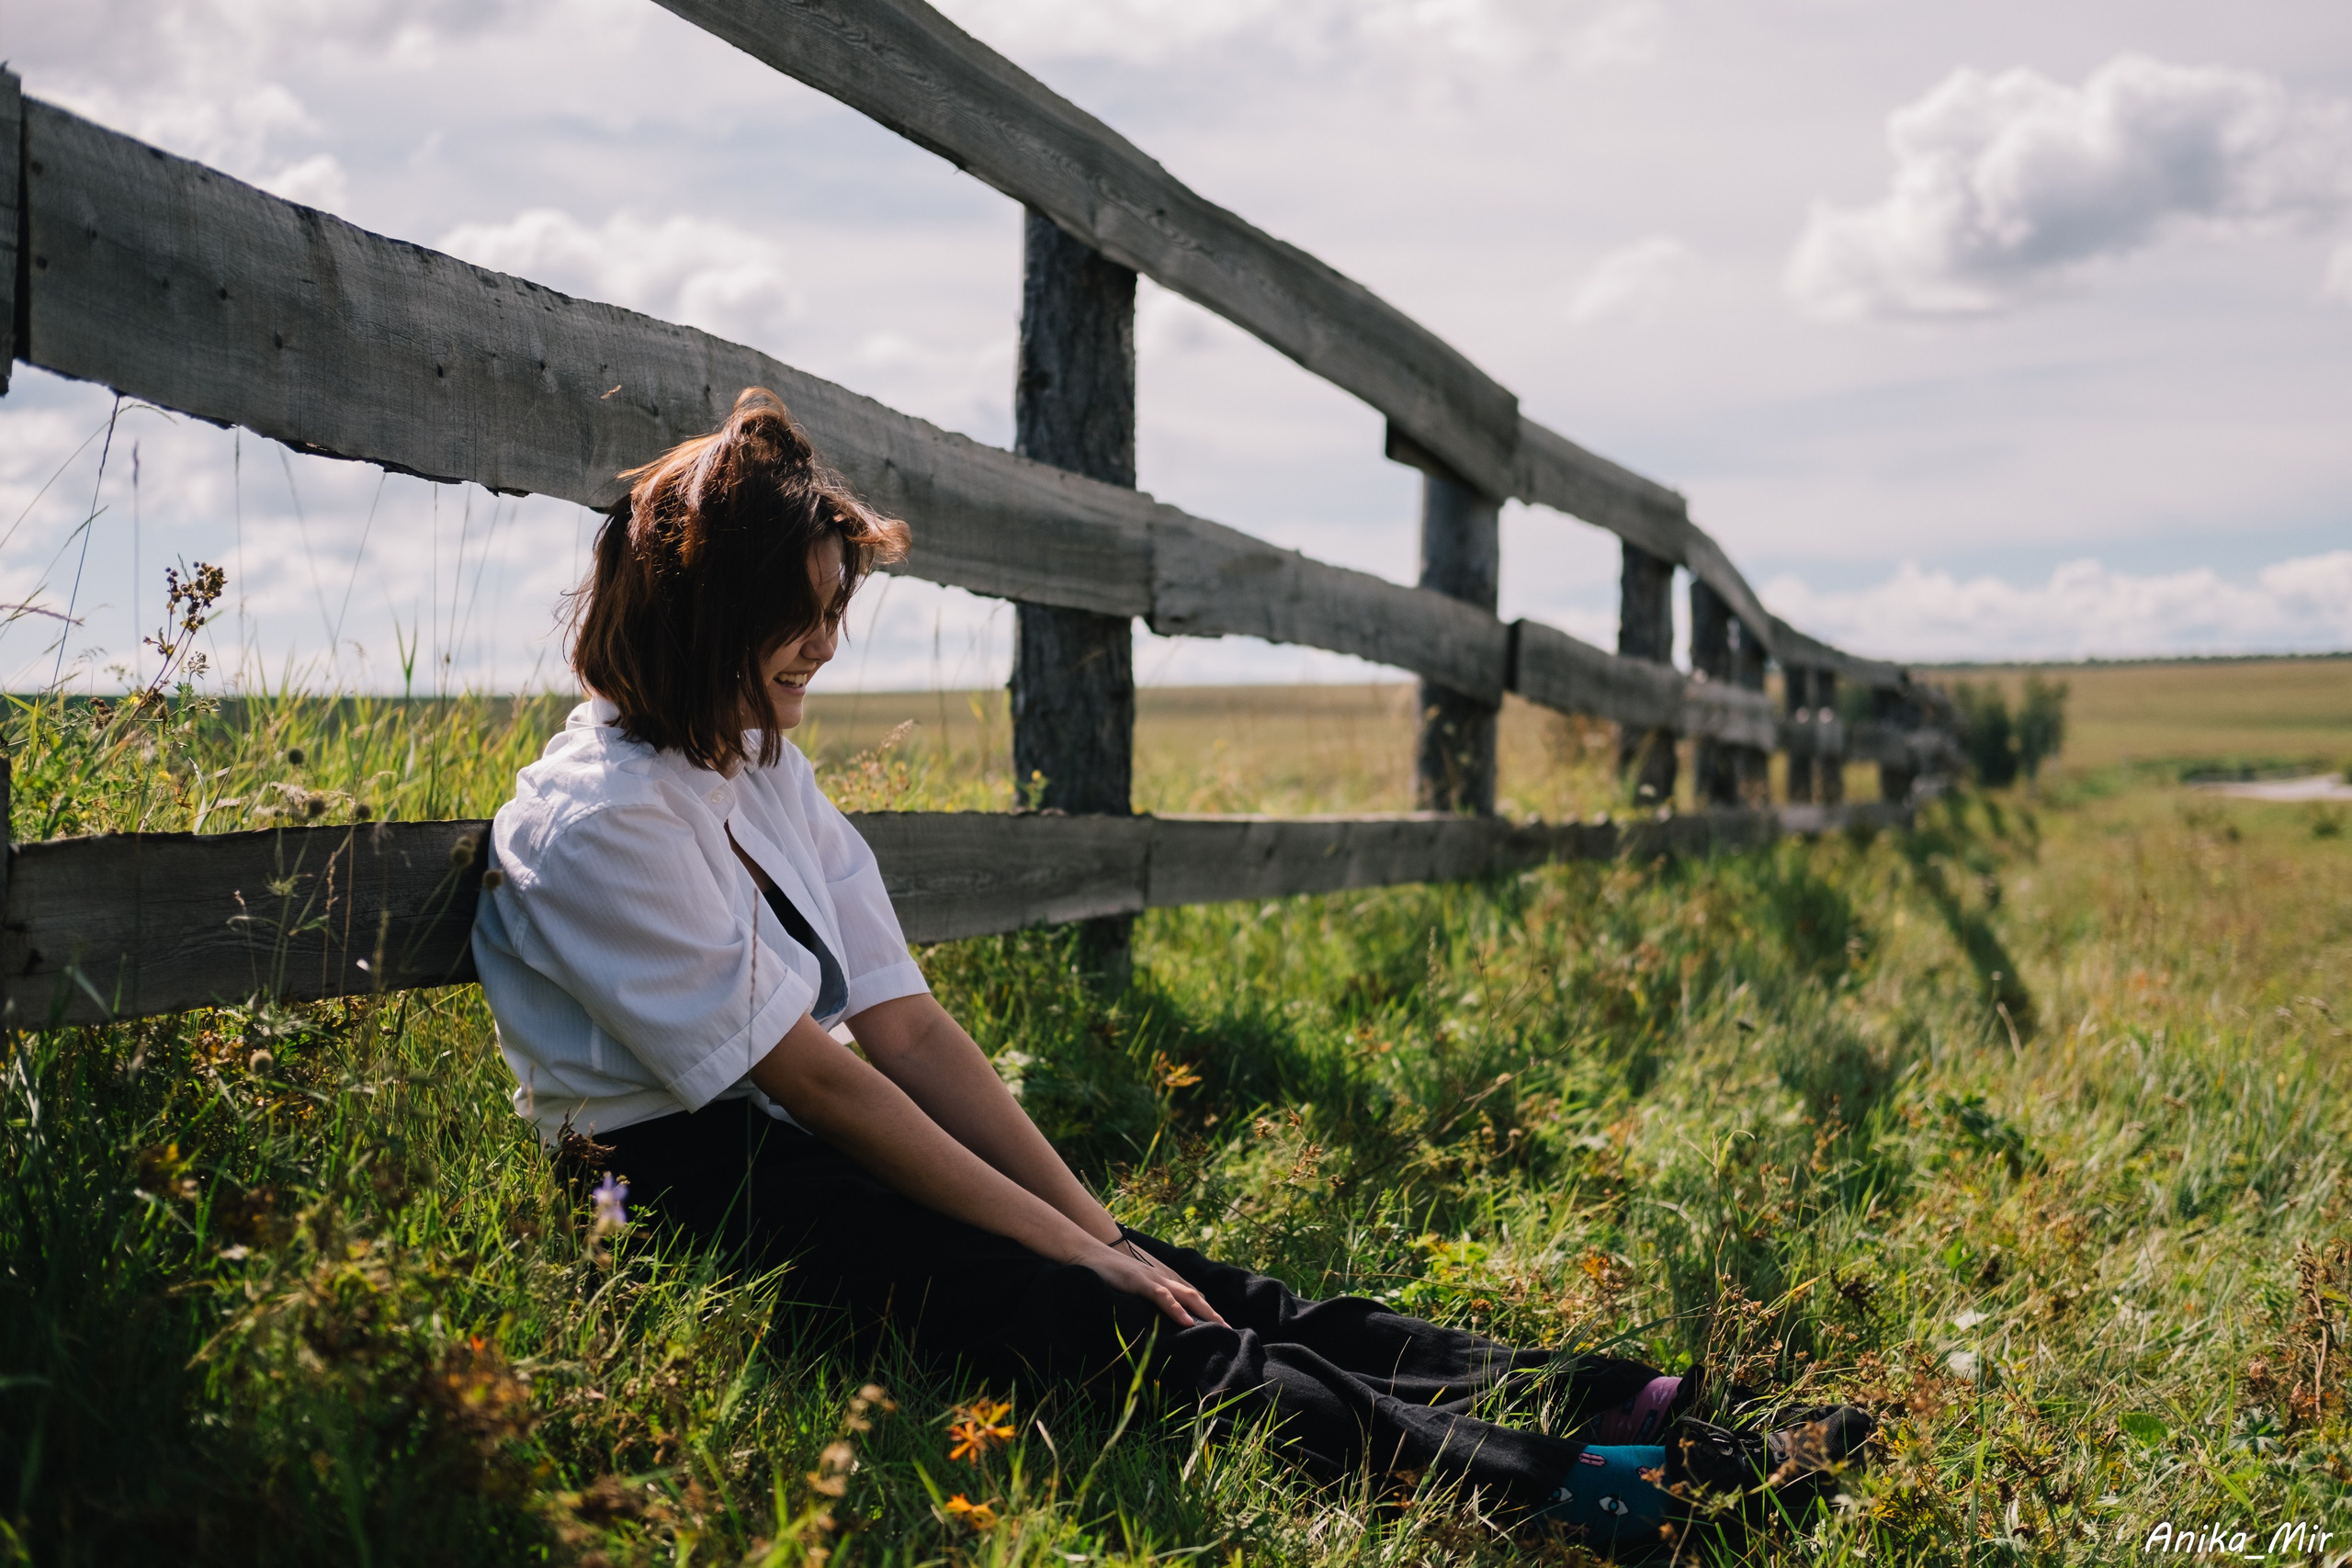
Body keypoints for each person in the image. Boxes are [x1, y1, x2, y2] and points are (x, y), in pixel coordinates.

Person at [470, 389, 1868, 1551]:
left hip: (808, 1132)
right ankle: (1605, 1504)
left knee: (1204, 1289)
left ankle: (1635, 1405)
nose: (827, 650)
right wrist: (1077, 1255)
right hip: (693, 1189)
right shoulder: (599, 825)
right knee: (1122, 1330)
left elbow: (900, 1026)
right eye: (803, 615)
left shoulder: (756, 760)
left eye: (838, 611)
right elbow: (820, 1090)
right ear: (707, 612)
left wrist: (1104, 1224)